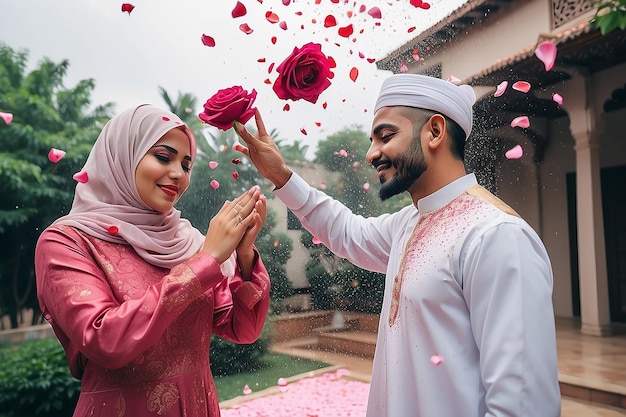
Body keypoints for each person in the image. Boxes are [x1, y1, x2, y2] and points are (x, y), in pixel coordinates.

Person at [235, 74, 561, 416]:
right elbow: (348, 232)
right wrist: (281, 176)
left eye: (386, 136)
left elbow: (523, 405)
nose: (371, 153)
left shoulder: (496, 237)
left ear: (434, 132)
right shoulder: (409, 223)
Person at [35, 104, 271, 417]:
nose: (178, 174)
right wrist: (207, 260)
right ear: (123, 156)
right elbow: (105, 338)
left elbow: (243, 330)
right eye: (163, 156)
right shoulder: (68, 241)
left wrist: (243, 254)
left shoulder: (185, 241)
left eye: (186, 165)